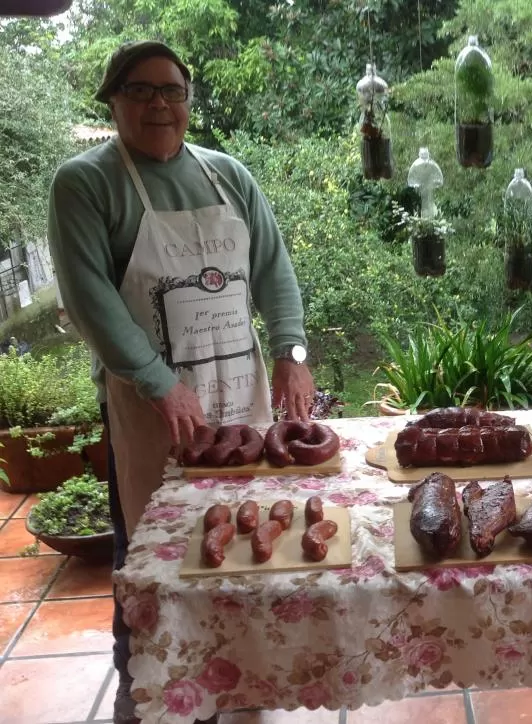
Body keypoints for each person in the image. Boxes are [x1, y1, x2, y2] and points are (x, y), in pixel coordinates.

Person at [47, 41, 315, 724]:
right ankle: (146, 697)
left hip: (241, 401)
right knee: (154, 565)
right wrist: (158, 381)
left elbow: (273, 268)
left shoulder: (227, 175)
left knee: (250, 544)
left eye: (174, 91)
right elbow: (90, 300)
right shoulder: (86, 184)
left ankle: (246, 686)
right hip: (152, 413)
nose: (161, 104)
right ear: (113, 100)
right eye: (142, 90)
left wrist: (290, 348)